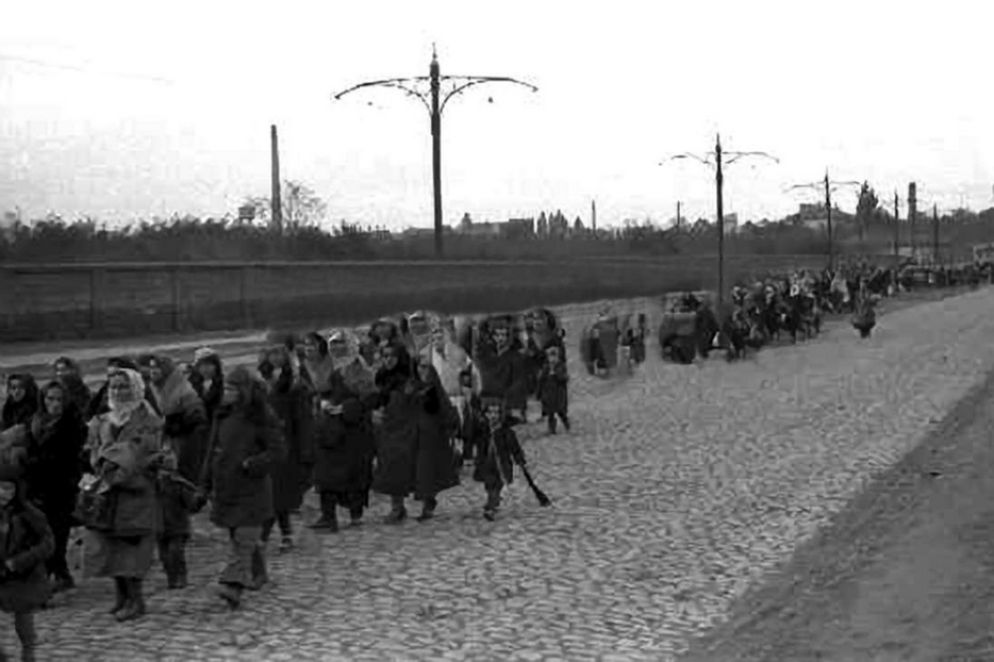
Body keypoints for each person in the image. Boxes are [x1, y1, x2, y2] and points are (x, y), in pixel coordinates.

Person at [81, 368, 166, 622]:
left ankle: (136, 600)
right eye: (114, 387)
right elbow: (94, 451)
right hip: (109, 493)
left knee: (133, 549)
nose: (118, 391)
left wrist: (119, 466)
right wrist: (104, 464)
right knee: (110, 546)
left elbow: (146, 453)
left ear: (136, 388)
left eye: (123, 386)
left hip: (136, 490)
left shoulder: (149, 419)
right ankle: (121, 596)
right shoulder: (102, 420)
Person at [201, 366, 283, 609]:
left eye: (232, 389)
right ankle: (258, 572)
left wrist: (252, 463)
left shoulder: (262, 415)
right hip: (227, 486)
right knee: (239, 535)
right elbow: (211, 451)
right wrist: (204, 483)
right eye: (225, 388)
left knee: (243, 537)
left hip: (252, 486)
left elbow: (277, 451)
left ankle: (233, 586)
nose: (226, 393)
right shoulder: (223, 414)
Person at [139, 355, 208, 590]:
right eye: (151, 369)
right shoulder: (150, 391)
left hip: (181, 448)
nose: (153, 373)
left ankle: (182, 532)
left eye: (157, 368)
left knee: (177, 491)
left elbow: (198, 417)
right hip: (158, 447)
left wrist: (177, 425)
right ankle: (172, 569)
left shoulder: (183, 390)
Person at [24, 381, 87, 593]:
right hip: (36, 486)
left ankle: (54, 576)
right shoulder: (36, 420)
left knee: (57, 532)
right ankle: (61, 573)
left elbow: (65, 457)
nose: (55, 403)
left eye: (59, 399)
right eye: (50, 398)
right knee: (42, 532)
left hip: (61, 486)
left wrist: (33, 461)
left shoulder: (73, 425)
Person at [0, 459, 54, 662]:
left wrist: (18, 562)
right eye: (0, 488)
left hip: (23, 575)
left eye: (8, 488)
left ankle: (28, 655)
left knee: (23, 618)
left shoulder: (29, 514)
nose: (4, 493)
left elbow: (48, 544)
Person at [473, 396, 527, 522]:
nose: (493, 416)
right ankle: (492, 501)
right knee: (489, 485)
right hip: (486, 464)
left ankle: (492, 507)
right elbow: (476, 441)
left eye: (496, 413)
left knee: (495, 486)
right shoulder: (483, 430)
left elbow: (515, 448)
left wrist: (520, 459)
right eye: (490, 412)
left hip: (501, 465)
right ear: (485, 414)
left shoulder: (506, 432)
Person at [536, 345, 570, 435]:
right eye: (550, 356)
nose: (552, 359)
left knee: (560, 412)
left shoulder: (561, 366)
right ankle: (552, 429)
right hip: (548, 394)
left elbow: (564, 378)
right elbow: (541, 380)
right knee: (550, 412)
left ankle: (566, 424)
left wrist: (557, 373)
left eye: (554, 356)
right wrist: (539, 393)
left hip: (558, 394)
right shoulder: (545, 367)